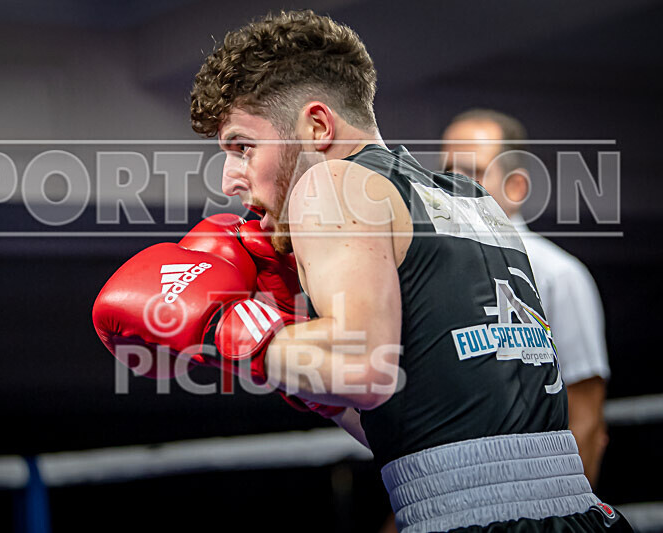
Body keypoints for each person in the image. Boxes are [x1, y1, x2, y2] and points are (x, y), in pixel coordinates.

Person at [93, 11, 630, 532]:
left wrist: (225, 327)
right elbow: (437, 420)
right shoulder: (467, 199)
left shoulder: (330, 184)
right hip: (580, 515)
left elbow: (362, 369)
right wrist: (310, 381)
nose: (232, 178)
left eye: (242, 146)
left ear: (317, 125)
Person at [441, 109, 611, 486]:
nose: (452, 186)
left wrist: (564, 515)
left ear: (516, 187)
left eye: (473, 172)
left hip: (540, 502)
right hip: (451, 497)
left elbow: (584, 419)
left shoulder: (558, 276)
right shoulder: (434, 274)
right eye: (445, 172)